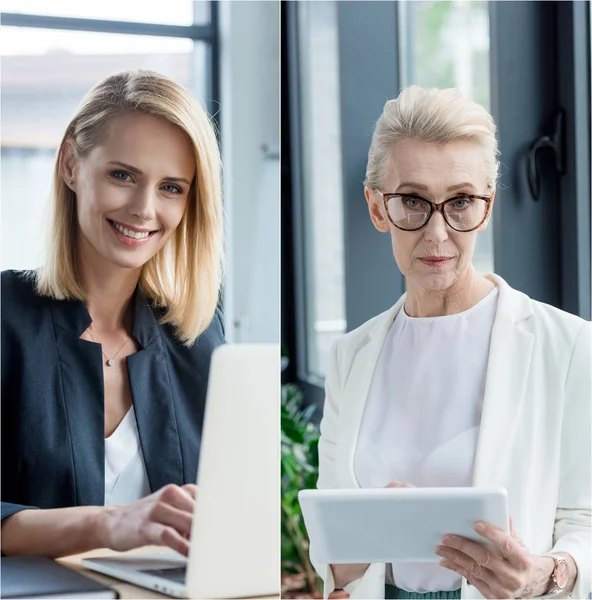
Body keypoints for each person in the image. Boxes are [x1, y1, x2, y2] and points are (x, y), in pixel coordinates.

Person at [311, 86, 591, 600]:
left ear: (486, 207)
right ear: (377, 208)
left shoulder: (568, 346)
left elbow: (587, 519)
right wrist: (351, 552)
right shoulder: (350, 356)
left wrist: (547, 574)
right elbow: (333, 539)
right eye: (413, 202)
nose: (438, 234)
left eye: (461, 202)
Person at [1, 70, 225, 558]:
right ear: (70, 165)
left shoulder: (199, 337)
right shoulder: (6, 319)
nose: (144, 209)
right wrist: (108, 525)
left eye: (172, 187)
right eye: (122, 175)